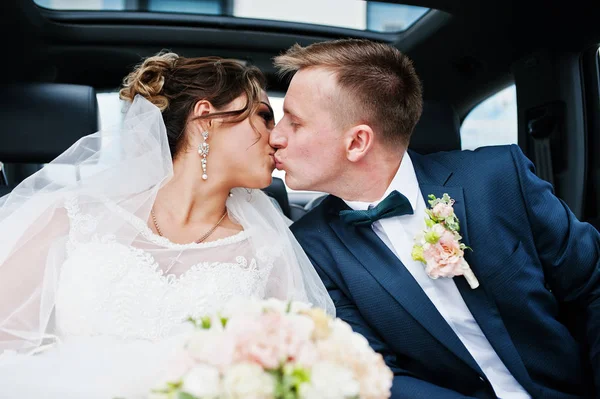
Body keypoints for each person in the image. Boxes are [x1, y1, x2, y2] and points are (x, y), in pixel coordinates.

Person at [271, 38, 600, 399]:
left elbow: (592, 286)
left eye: (295, 122)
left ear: (357, 143)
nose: (275, 137)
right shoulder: (310, 245)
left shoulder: (498, 179)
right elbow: (375, 372)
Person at [0, 52, 333, 398]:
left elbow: (290, 378)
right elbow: (6, 349)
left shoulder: (269, 249)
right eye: (264, 117)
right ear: (205, 118)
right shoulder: (70, 218)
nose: (277, 137)